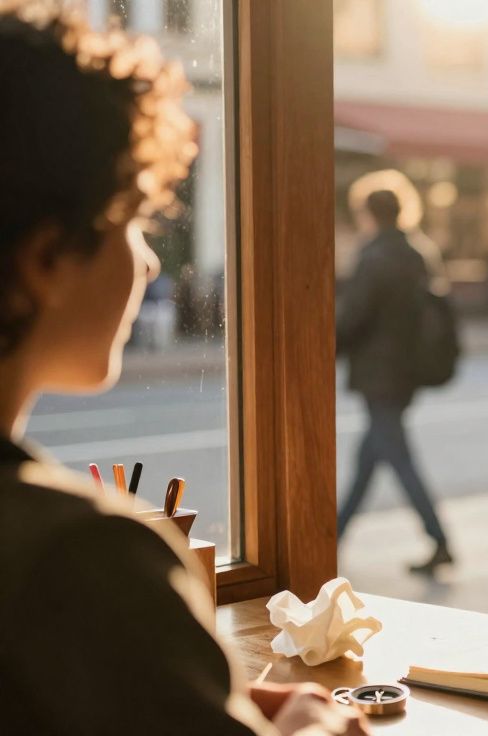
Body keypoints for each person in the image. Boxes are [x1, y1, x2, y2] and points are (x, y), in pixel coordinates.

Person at [0, 5, 368, 734]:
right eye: (133, 218)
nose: (146, 259)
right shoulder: (81, 561)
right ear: (45, 259)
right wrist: (313, 723)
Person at [336, 188, 454, 574]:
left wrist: (323, 348)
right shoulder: (417, 252)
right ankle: (331, 536)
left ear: (368, 214)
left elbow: (354, 316)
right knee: (369, 457)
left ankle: (440, 540)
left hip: (379, 373)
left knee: (398, 457)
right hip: (407, 371)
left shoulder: (375, 256)